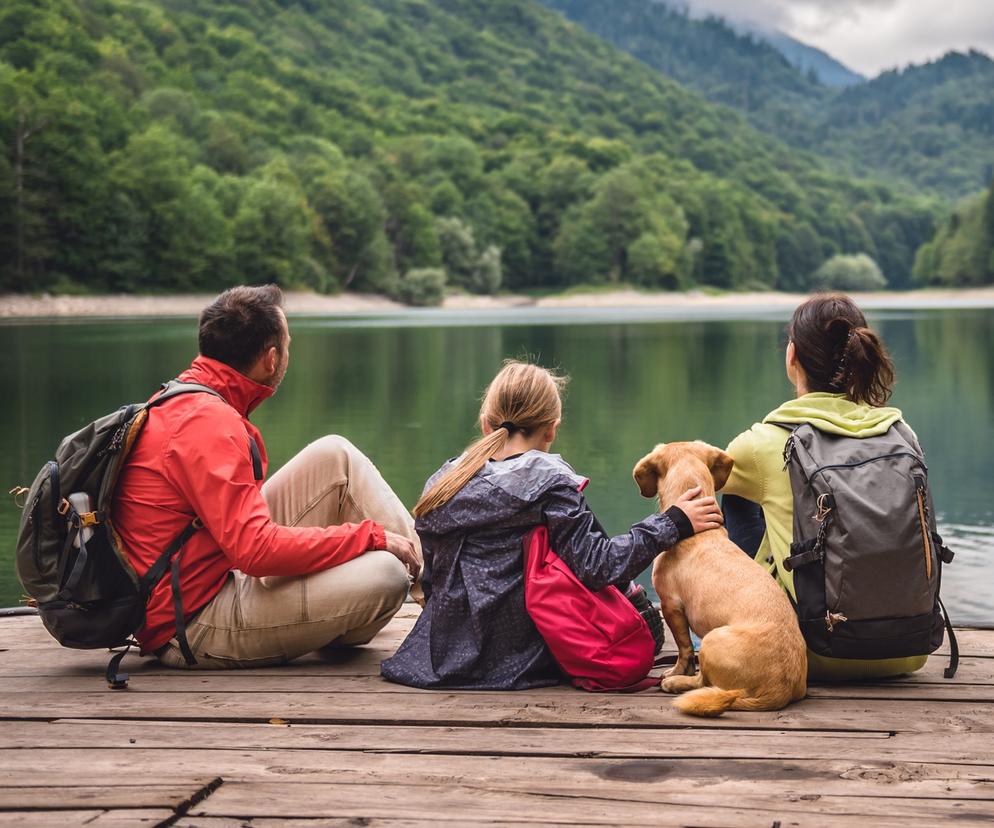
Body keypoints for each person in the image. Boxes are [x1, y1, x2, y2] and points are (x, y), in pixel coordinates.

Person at [112, 285, 422, 668]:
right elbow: (256, 552)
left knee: (334, 455)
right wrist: (368, 537)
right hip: (192, 623)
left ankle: (443, 594)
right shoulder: (209, 424)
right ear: (271, 358)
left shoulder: (185, 398)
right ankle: (449, 603)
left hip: (211, 568)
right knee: (387, 575)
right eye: (288, 344)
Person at [381, 360, 723, 690]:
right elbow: (599, 566)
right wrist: (672, 523)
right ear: (551, 429)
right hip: (520, 657)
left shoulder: (444, 482)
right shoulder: (549, 484)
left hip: (441, 653)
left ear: (486, 424)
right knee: (641, 616)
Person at [721, 292, 928, 680]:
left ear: (791, 357)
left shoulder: (761, 443)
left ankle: (733, 629)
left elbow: (697, 485)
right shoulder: (902, 434)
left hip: (806, 651)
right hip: (910, 648)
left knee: (735, 493)